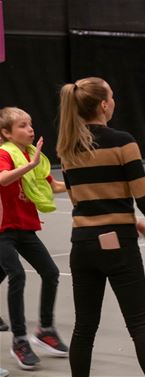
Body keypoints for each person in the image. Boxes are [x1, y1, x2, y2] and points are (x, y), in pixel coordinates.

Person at [57, 77, 145, 377]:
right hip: (118, 245)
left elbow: (80, 198)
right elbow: (144, 195)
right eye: (112, 96)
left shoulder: (67, 147)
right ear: (103, 104)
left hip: (82, 243)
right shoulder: (123, 141)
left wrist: (128, 217)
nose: (114, 101)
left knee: (84, 328)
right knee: (139, 324)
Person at [0, 107, 68, 370]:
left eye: (30, 124)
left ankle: (45, 330)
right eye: (22, 126)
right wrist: (28, 165)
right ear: (6, 133)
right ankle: (19, 339)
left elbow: (54, 186)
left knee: (50, 273)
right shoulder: (5, 153)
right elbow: (3, 179)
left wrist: (81, 181)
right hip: (3, 230)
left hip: (25, 228)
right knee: (17, 274)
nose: (30, 129)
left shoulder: (33, 156)